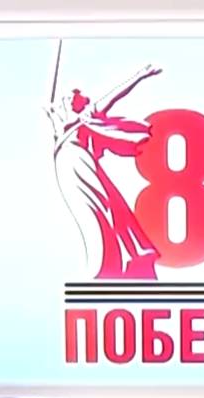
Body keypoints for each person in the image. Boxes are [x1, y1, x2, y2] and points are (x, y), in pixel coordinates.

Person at [44, 63, 163, 280]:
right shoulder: (58, 118)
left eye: (75, 95)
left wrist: (140, 75)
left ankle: (117, 261)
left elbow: (114, 96)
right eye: (70, 95)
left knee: (105, 210)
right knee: (88, 213)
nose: (71, 96)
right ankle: (101, 263)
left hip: (82, 164)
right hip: (68, 168)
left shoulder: (86, 116)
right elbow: (49, 107)